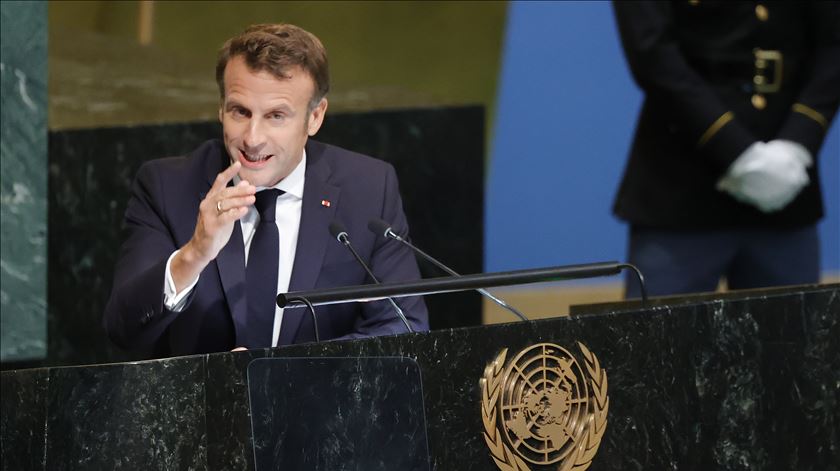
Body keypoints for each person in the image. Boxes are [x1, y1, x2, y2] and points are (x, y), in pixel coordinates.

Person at [104, 24, 428, 357]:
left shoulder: (369, 188)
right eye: (240, 112)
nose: (252, 138)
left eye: (276, 116)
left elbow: (404, 326)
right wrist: (195, 253)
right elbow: (124, 331)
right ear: (221, 108)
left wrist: (286, 376)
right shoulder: (168, 187)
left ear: (315, 117)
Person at [612, 2, 839, 298]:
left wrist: (797, 145)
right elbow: (650, 50)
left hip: (786, 187)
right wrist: (737, 151)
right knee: (658, 342)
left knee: (793, 341)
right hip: (682, 190)